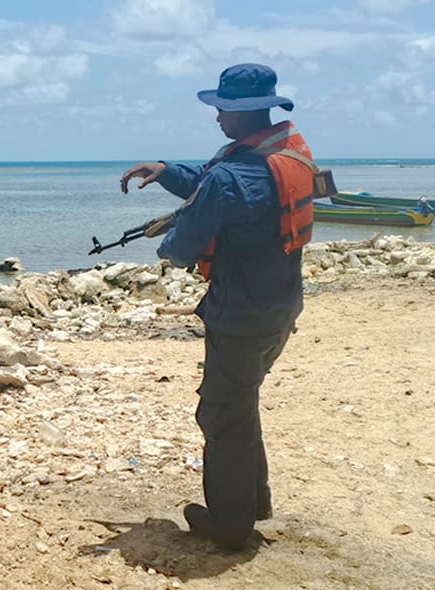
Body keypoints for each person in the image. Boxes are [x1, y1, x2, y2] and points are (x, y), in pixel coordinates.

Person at [119, 63, 318, 551]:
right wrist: (167, 172)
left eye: (221, 112)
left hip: (240, 313)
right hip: (281, 306)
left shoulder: (233, 175)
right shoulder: (283, 153)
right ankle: (253, 502)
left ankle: (229, 527)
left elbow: (182, 247)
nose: (217, 121)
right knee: (242, 398)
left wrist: (167, 236)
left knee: (223, 413)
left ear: (239, 114)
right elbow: (213, 183)